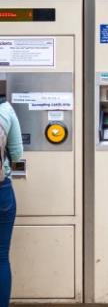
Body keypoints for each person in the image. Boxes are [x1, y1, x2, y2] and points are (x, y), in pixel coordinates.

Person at [0, 100, 23, 307]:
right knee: (0, 258)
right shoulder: (5, 110)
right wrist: (10, 171)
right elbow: (17, 156)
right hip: (1, 192)